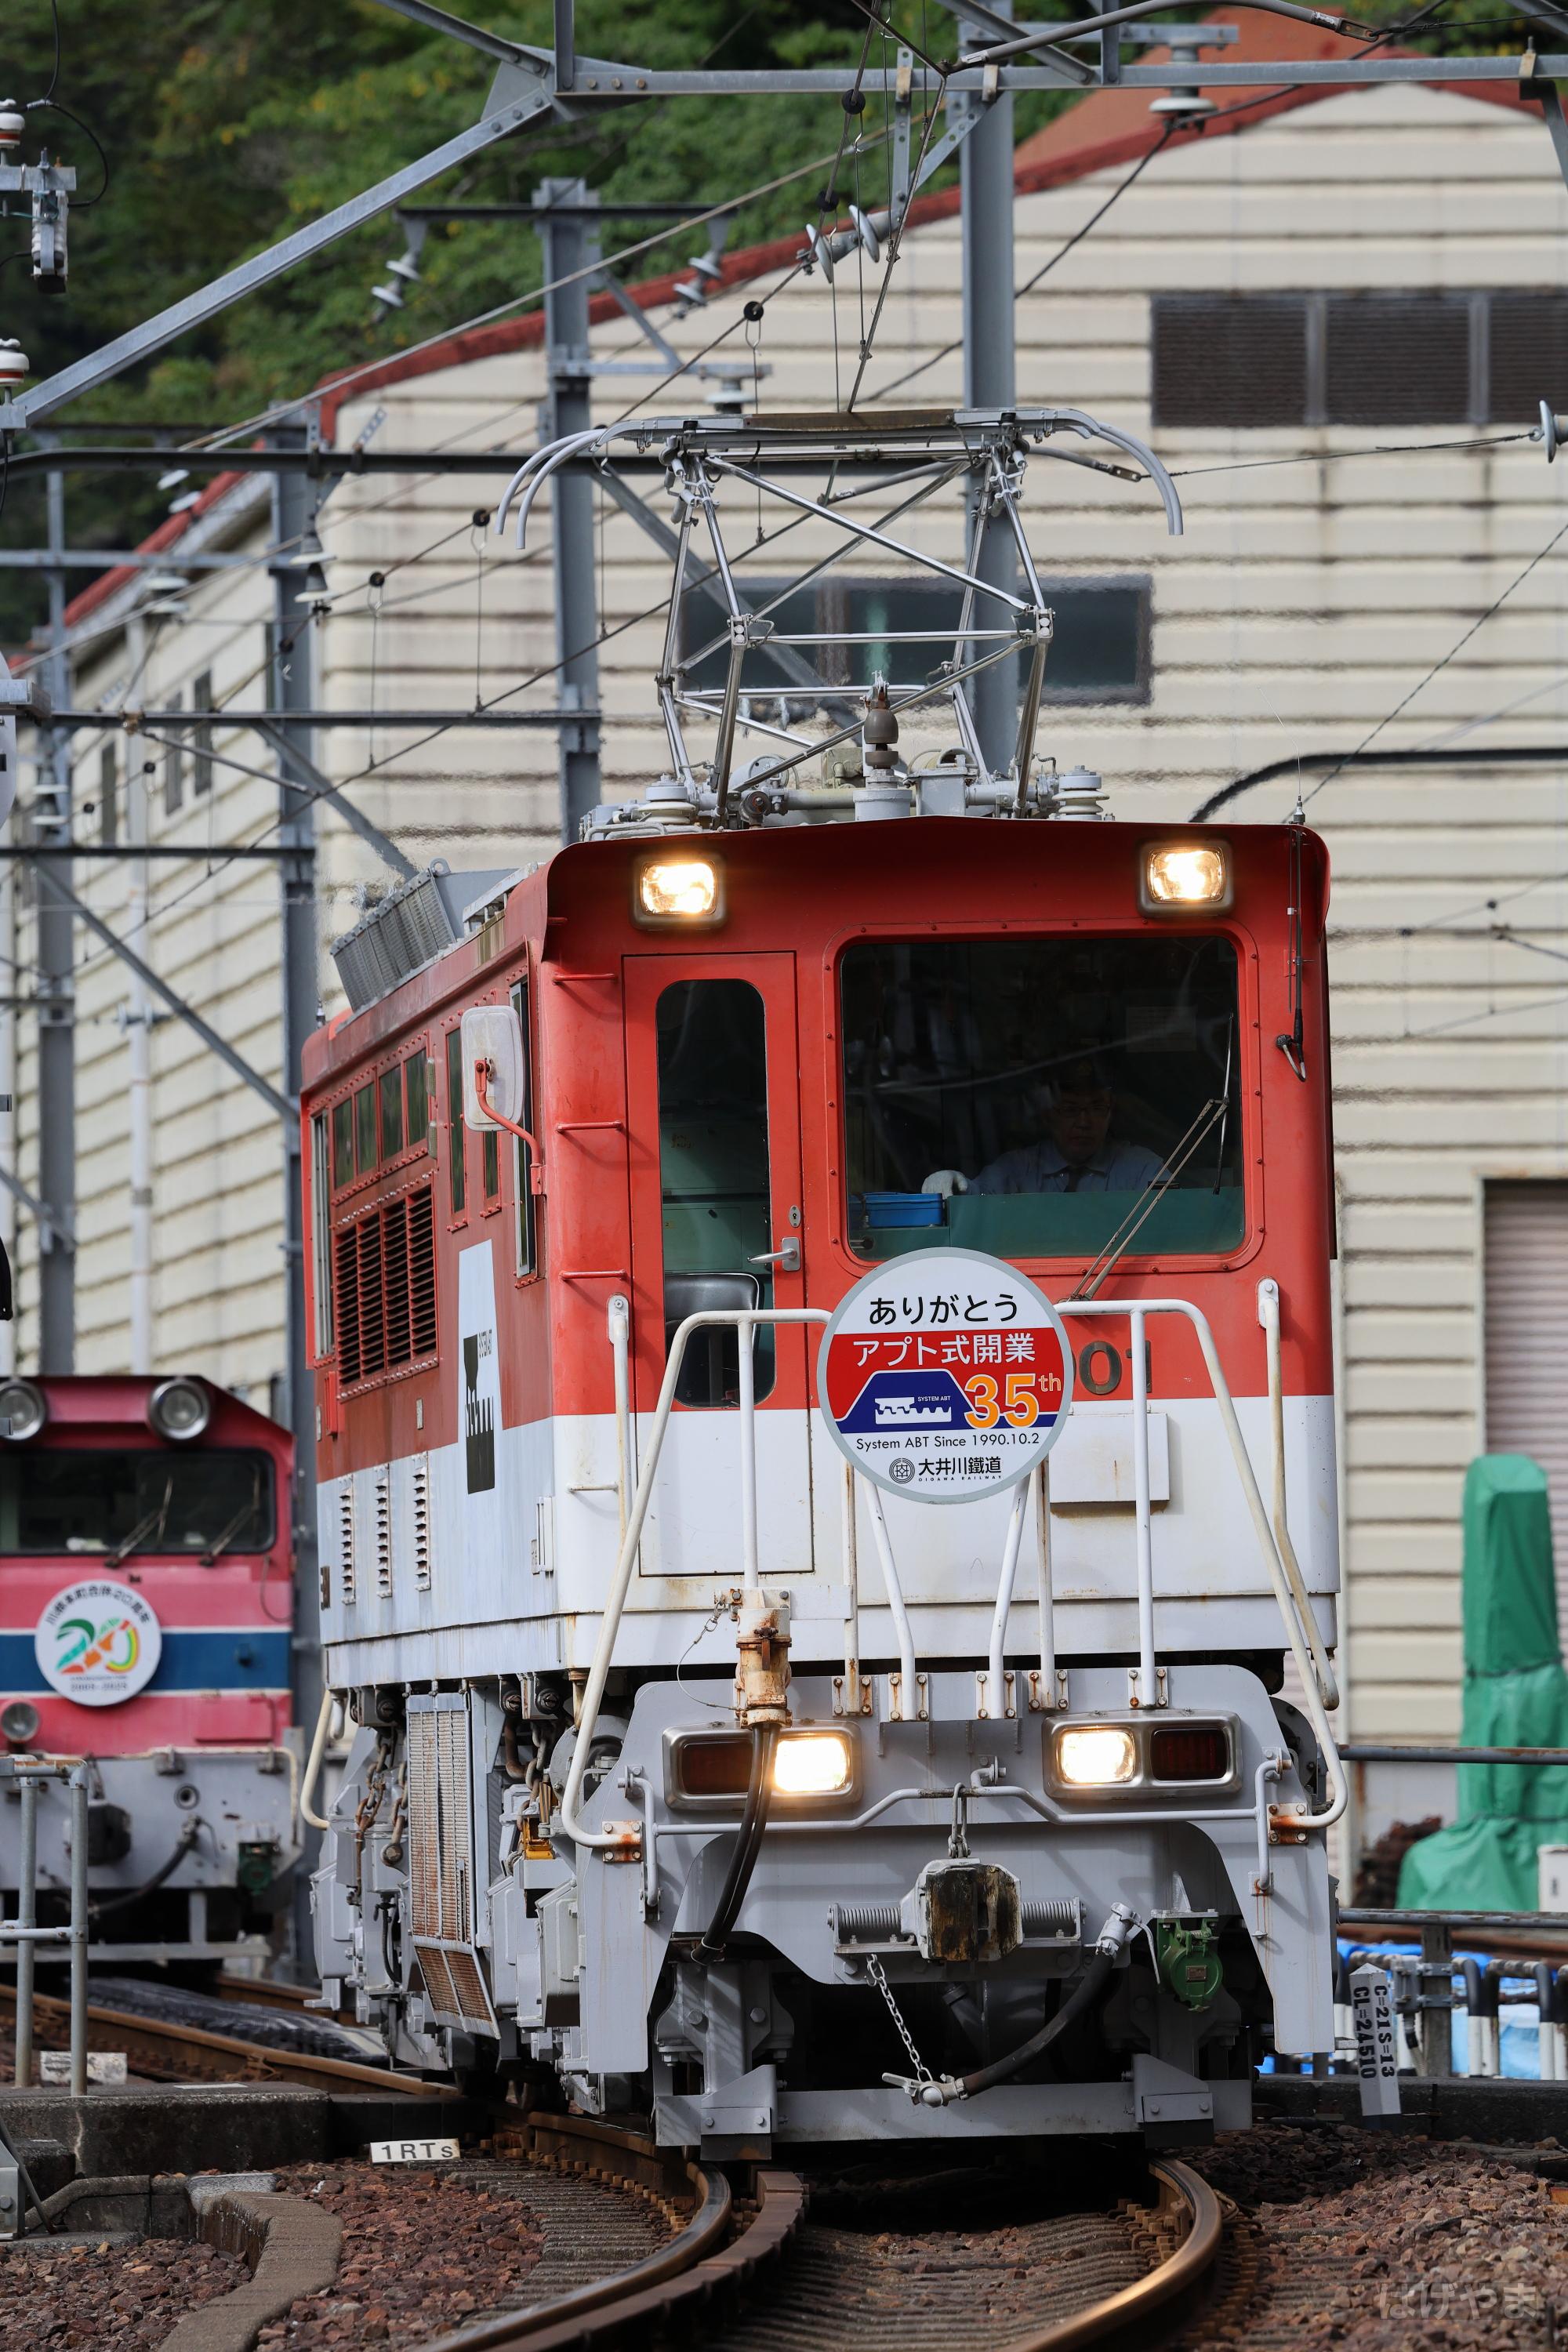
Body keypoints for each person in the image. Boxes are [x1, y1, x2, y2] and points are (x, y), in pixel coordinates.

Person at [925, 1054, 1164, 1197]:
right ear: (1048, 1116)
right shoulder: (1017, 1170)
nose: (1084, 1122)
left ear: (1111, 1113)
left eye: (1097, 1108)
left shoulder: (1142, 1169)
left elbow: (1170, 1223)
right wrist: (951, 1183)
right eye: (1070, 1109)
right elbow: (978, 1198)